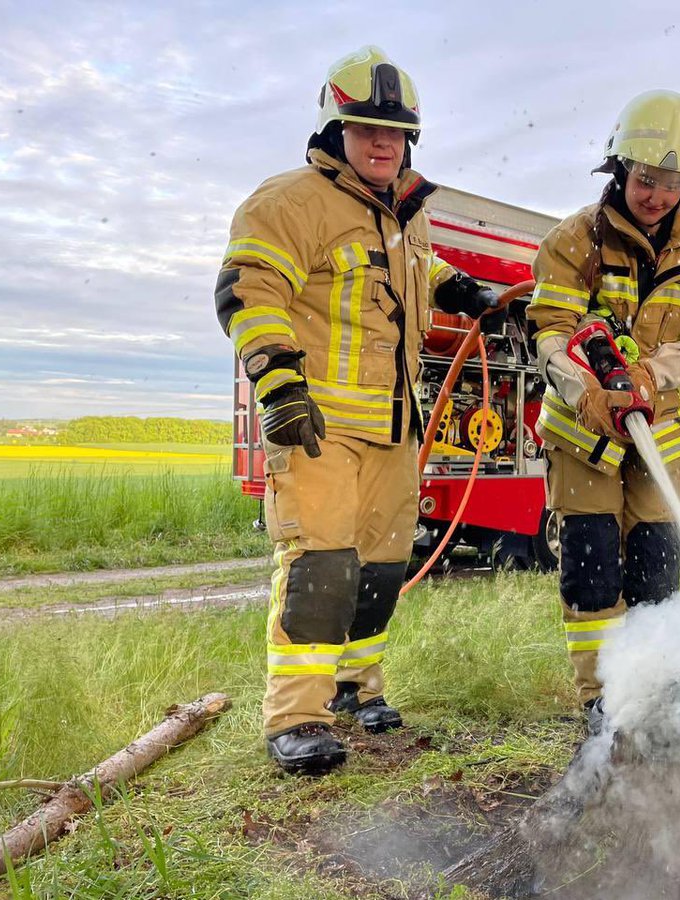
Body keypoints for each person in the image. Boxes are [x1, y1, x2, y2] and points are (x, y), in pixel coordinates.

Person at [215, 46, 498, 774]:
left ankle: (355, 688)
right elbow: (248, 291)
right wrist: (277, 386)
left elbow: (415, 270)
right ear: (332, 130)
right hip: (319, 430)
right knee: (321, 569)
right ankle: (295, 718)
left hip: (393, 429)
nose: (383, 142)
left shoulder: (404, 215)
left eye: (396, 132)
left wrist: (462, 291)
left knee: (379, 570)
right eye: (367, 128)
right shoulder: (289, 202)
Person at [526, 90, 680, 734]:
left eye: (670, 184)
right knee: (592, 563)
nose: (654, 195)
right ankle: (600, 698)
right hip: (582, 432)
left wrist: (654, 374)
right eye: (646, 179)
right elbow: (550, 329)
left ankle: (651, 687)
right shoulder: (574, 240)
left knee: (654, 562)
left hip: (664, 436)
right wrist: (583, 385)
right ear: (620, 168)